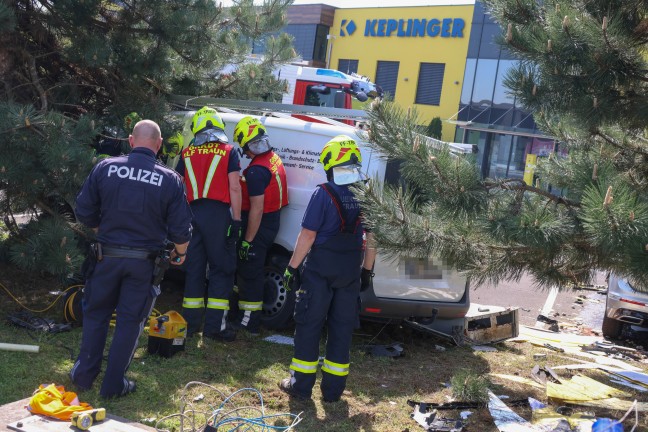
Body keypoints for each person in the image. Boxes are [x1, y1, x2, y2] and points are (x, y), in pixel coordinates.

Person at [70, 120, 193, 398]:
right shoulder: (170, 179)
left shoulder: (105, 167)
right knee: (130, 321)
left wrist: (102, 231)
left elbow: (84, 209)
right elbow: (181, 230)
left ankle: (84, 375)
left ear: (130, 140)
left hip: (105, 258)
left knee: (96, 314)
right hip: (144, 264)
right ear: (159, 144)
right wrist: (181, 253)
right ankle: (114, 385)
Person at [279, 134, 371, 403]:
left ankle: (301, 385)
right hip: (350, 270)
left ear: (331, 163)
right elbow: (373, 237)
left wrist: (292, 267)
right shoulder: (366, 193)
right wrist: (367, 271)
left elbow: (307, 235)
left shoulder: (324, 192)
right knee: (342, 329)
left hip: (320, 270)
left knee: (309, 324)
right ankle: (333, 392)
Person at [175, 106, 242, 342]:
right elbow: (235, 186)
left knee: (194, 269)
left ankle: (191, 325)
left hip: (192, 214)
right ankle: (215, 328)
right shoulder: (229, 151)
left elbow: (177, 187)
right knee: (221, 270)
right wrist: (236, 219)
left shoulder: (186, 153)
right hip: (218, 215)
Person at [232, 116, 288, 335]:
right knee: (250, 271)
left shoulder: (256, 171)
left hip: (260, 226)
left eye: (244, 148)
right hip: (271, 222)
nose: (244, 152)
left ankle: (249, 322)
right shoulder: (273, 159)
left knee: (250, 273)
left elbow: (256, 209)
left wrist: (247, 241)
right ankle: (246, 316)